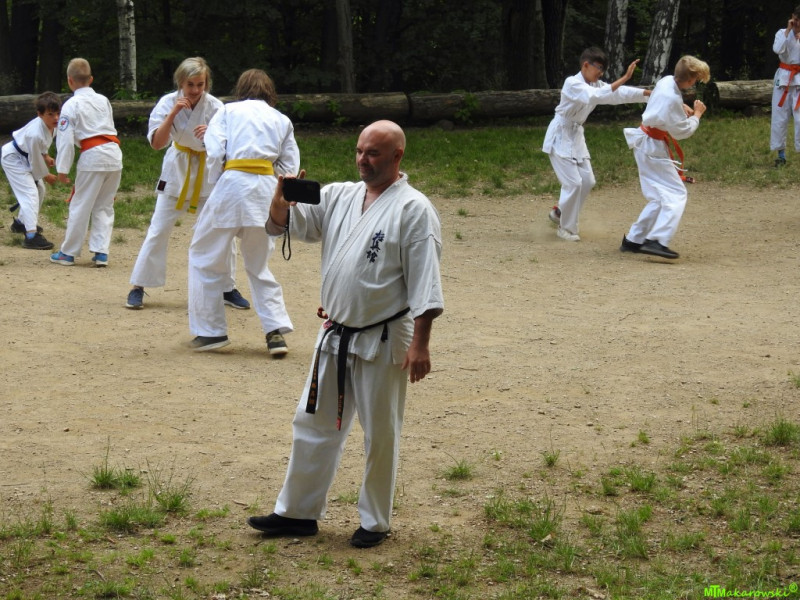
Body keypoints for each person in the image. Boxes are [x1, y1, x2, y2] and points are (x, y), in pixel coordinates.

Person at [248, 120, 444, 549]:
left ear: (397, 156)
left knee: (380, 432)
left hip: (385, 337)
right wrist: (280, 202)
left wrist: (421, 344)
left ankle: (375, 521)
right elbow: (285, 225)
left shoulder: (414, 209)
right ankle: (297, 512)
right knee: (312, 422)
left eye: (373, 153)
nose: (362, 160)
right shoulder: (339, 195)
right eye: (359, 150)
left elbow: (426, 283)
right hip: (335, 334)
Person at [125, 57, 249, 311]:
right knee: (158, 229)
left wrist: (212, 136)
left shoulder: (216, 107)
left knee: (221, 229)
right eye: (190, 84)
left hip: (208, 172)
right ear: (180, 82)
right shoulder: (167, 103)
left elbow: (231, 147)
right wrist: (173, 114)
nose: (195, 90)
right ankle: (138, 285)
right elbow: (157, 143)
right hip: (177, 170)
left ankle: (227, 287)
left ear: (206, 84)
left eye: (200, 84)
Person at [187, 68, 297, 355]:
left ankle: (211, 332)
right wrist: (280, 196)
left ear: (241, 89)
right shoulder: (281, 119)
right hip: (265, 190)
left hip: (232, 184)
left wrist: (218, 183)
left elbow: (215, 150)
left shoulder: (227, 111)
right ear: (269, 92)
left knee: (204, 256)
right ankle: (275, 332)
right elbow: (289, 166)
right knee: (258, 265)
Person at [543, 47, 650, 242]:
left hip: (576, 135)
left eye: (603, 69)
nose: (601, 73)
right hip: (559, 134)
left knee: (588, 180)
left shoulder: (597, 85)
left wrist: (647, 93)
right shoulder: (572, 83)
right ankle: (566, 228)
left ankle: (560, 212)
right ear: (586, 65)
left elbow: (618, 94)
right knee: (573, 183)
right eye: (598, 68)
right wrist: (624, 77)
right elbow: (594, 96)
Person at [620, 55, 710, 260]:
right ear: (690, 80)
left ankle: (634, 239)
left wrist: (680, 107)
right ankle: (657, 240)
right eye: (696, 80)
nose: (694, 83)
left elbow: (664, 102)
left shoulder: (666, 81)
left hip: (645, 142)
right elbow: (682, 132)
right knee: (677, 193)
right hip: (652, 147)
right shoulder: (671, 98)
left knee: (659, 197)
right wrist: (697, 115)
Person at [51, 58, 122, 267]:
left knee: (80, 204)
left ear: (69, 81)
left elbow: (64, 139)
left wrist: (62, 169)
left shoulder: (71, 105)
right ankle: (101, 252)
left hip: (93, 156)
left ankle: (68, 253)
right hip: (114, 154)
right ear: (90, 79)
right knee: (105, 204)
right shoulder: (103, 100)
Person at [1, 92, 61, 250]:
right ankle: (31, 236)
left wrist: (46, 156)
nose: (55, 118)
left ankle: (21, 223)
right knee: (30, 193)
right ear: (40, 114)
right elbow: (35, 159)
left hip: (26, 156)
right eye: (50, 114)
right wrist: (46, 175)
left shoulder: (52, 126)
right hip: (13, 159)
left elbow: (41, 148)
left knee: (40, 190)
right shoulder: (35, 133)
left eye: (57, 113)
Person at [771, 7, 800, 167]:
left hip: (799, 79)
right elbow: (777, 49)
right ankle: (781, 155)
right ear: (792, 17)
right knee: (779, 117)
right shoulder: (782, 33)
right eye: (796, 19)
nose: (797, 23)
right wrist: (788, 31)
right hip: (783, 78)